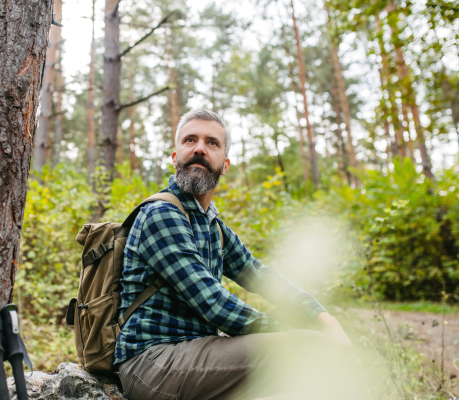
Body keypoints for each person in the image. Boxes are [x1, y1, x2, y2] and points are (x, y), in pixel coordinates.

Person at [114, 108, 361, 400]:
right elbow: (213, 303)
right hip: (152, 362)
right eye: (190, 140)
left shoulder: (211, 225)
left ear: (225, 164)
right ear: (174, 157)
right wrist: (291, 335)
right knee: (306, 347)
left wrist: (322, 317)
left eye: (212, 143)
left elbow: (260, 275)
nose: (199, 149)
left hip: (193, 355)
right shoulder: (161, 215)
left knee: (303, 326)